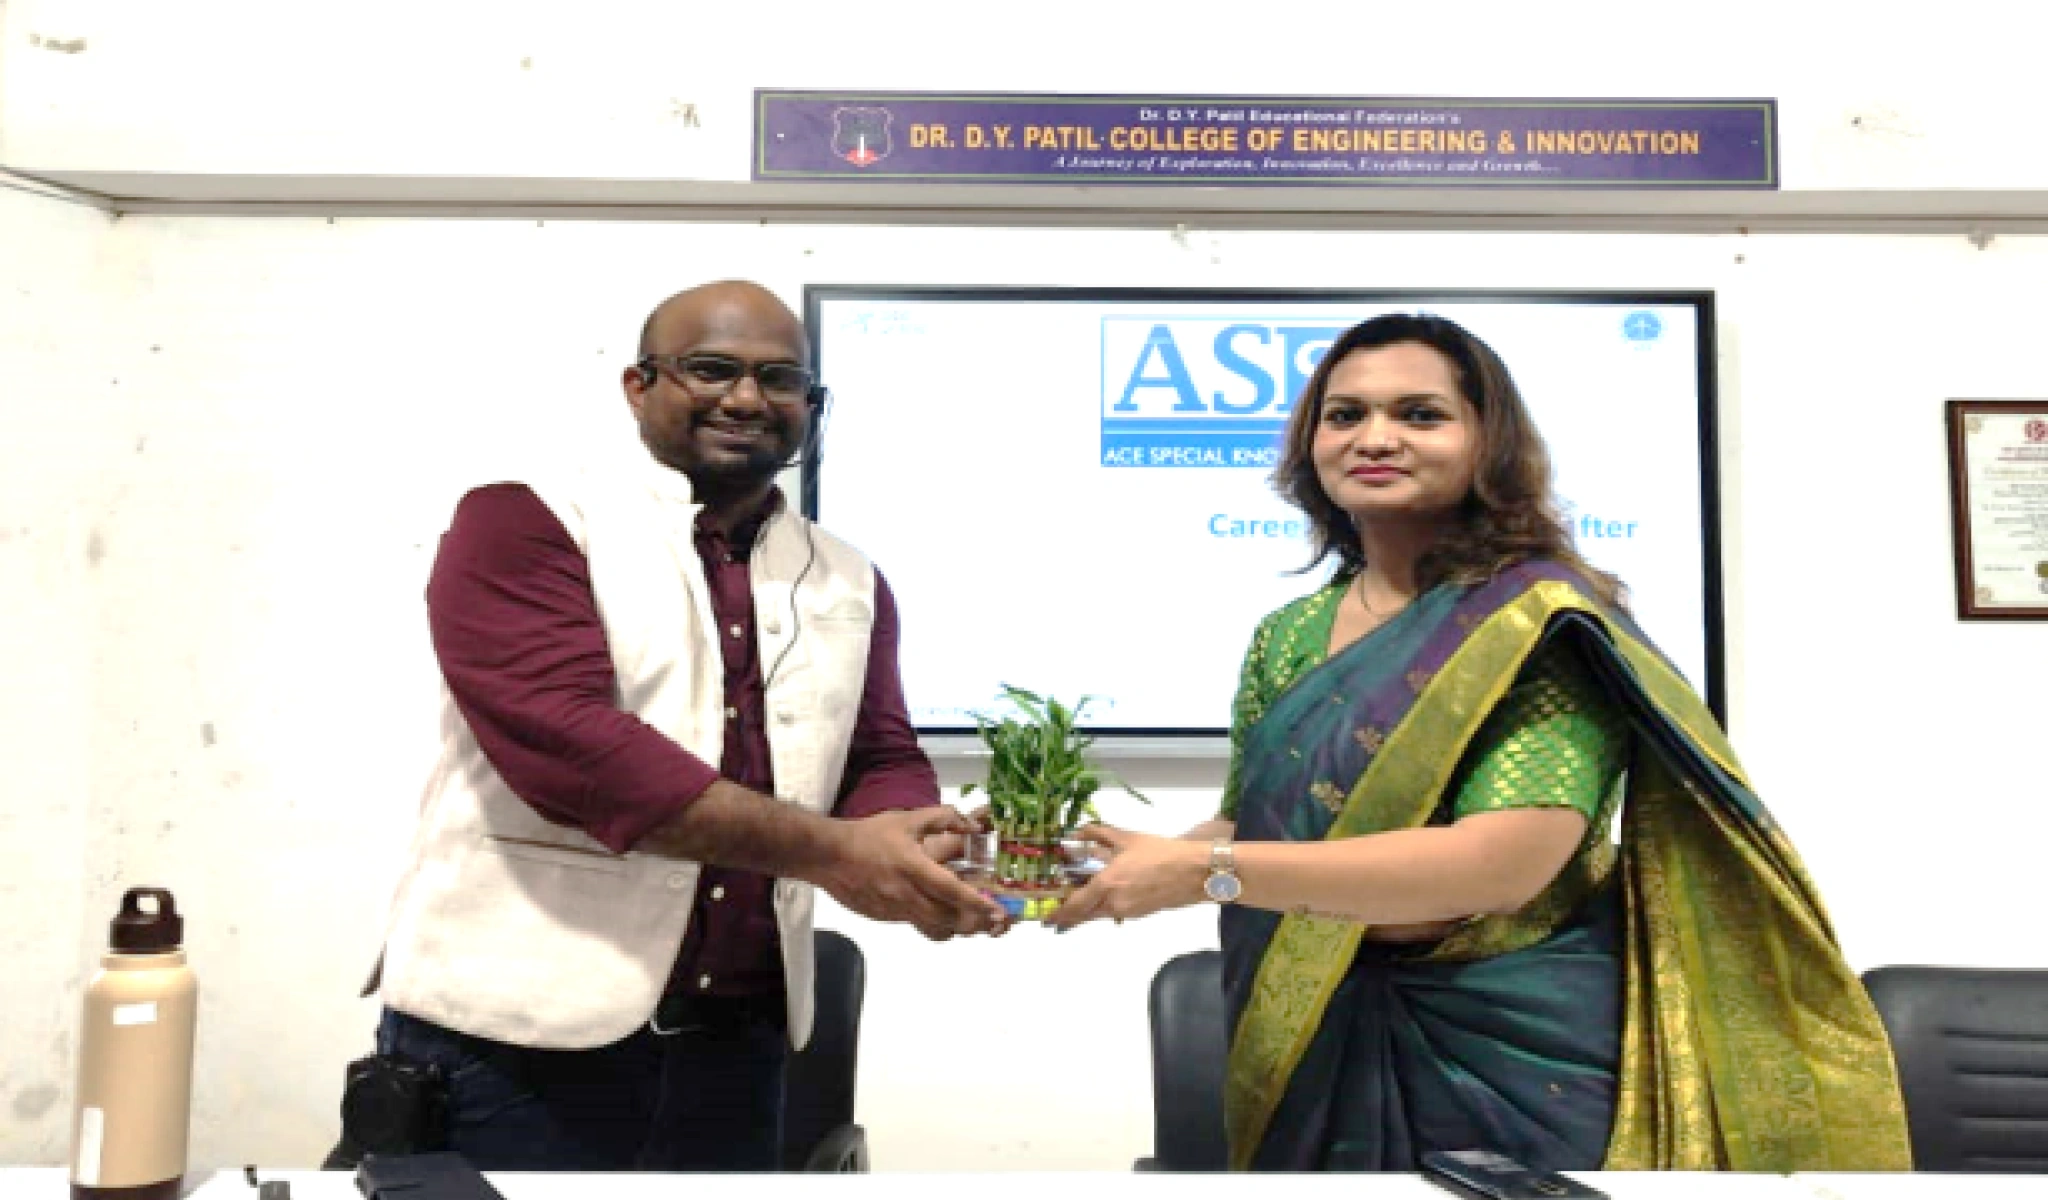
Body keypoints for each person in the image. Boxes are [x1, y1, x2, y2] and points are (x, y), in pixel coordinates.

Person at [1050, 313, 1911, 1173]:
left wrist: (1204, 872)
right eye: (1345, 415)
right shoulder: (1289, 634)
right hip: (1307, 1030)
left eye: (1420, 415)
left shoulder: (1538, 624)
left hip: (1511, 1049)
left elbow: (1501, 865)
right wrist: (1083, 868)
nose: (1375, 438)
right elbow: (1251, 823)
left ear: (1487, 443)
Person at [354, 280, 1005, 1172]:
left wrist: (917, 847)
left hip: (738, 1048)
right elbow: (580, 758)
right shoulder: (526, 521)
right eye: (711, 369)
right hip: (510, 1045)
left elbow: (876, 755)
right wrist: (846, 855)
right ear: (639, 385)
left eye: (780, 379)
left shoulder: (849, 575)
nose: (746, 398)